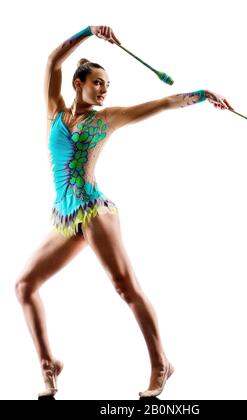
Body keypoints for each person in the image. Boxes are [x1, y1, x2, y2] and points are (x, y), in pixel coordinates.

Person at [15, 25, 234, 399]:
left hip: (95, 213)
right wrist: (88, 31)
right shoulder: (53, 112)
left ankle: (161, 364)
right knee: (24, 285)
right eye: (97, 83)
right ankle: (49, 364)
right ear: (78, 83)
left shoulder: (107, 119)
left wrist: (201, 95)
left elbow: (162, 104)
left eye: (107, 85)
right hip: (66, 217)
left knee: (125, 287)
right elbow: (53, 60)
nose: (103, 90)